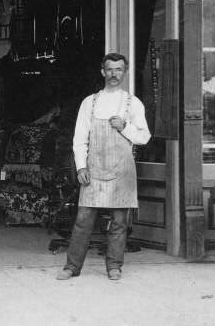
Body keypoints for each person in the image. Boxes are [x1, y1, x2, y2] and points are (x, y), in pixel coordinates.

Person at [56, 53, 151, 282]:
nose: (114, 74)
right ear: (103, 72)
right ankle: (72, 266)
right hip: (94, 170)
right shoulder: (90, 102)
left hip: (121, 171)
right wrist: (81, 168)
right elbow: (79, 139)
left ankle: (114, 266)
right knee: (83, 220)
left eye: (119, 69)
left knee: (119, 222)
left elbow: (144, 137)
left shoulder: (133, 103)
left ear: (124, 72)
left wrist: (125, 126)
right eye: (110, 69)